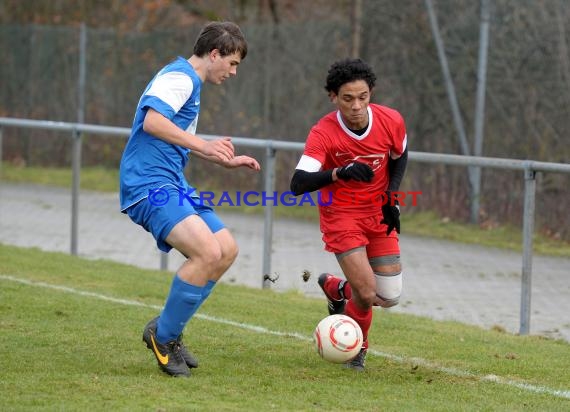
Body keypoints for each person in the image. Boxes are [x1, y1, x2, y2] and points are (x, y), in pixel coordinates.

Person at [119, 21, 260, 377]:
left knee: (225, 249)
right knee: (207, 252)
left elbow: (175, 137)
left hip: (172, 181)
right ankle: (163, 338)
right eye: (232, 63)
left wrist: (221, 158)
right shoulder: (180, 78)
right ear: (215, 54)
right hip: (148, 184)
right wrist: (205, 145)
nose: (233, 72)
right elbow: (152, 123)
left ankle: (168, 329)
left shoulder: (190, 84)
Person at [290, 58, 408, 371]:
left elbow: (399, 155)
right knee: (367, 293)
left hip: (378, 214)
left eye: (363, 97)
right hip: (341, 216)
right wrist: (339, 172)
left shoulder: (391, 120)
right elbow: (298, 184)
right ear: (333, 97)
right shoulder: (324, 133)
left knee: (390, 296)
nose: (356, 106)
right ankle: (357, 349)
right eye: (347, 99)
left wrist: (391, 197)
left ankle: (336, 289)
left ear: (371, 94)